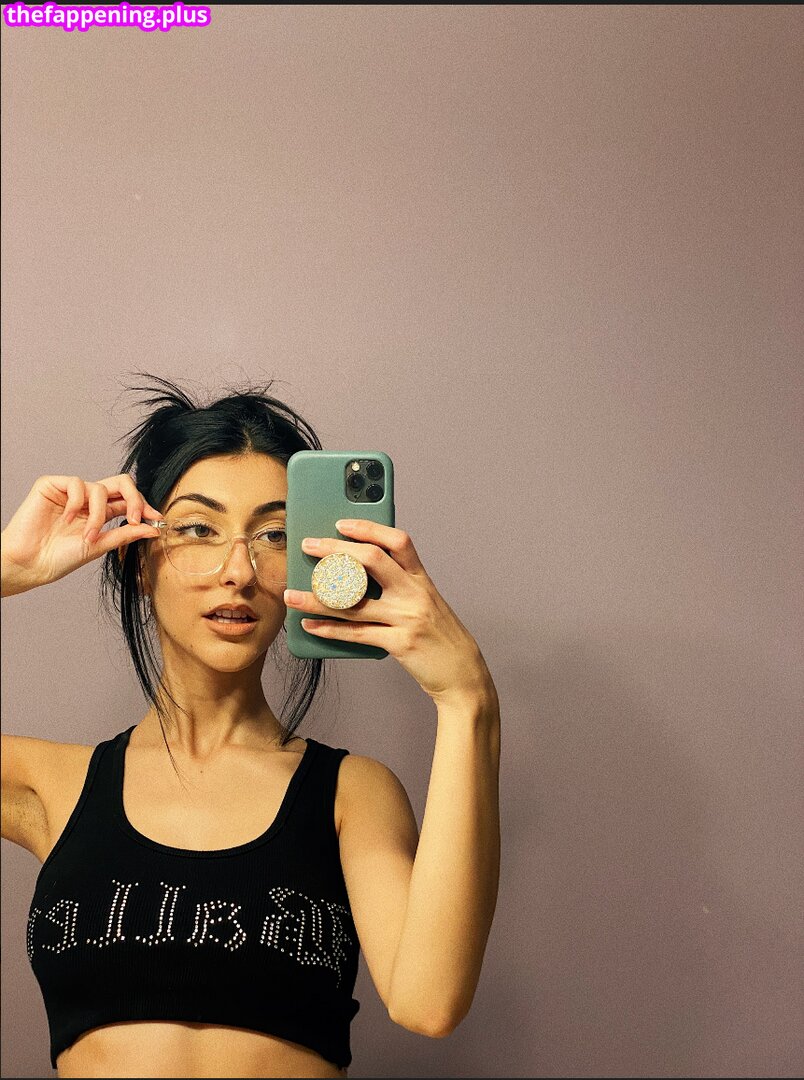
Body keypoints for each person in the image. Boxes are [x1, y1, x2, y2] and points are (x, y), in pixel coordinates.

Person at [1, 374, 501, 1079]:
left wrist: (467, 698)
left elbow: (430, 1002)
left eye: (274, 535)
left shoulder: (349, 795)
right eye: (198, 529)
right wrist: (6, 569)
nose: (237, 570)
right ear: (139, 559)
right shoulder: (51, 784)